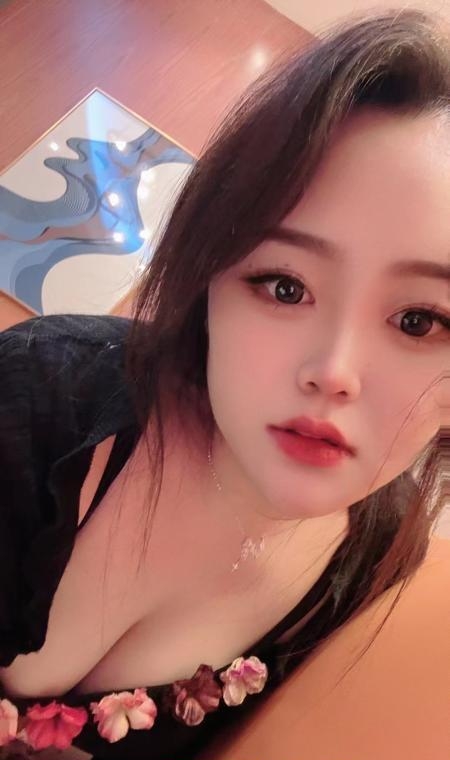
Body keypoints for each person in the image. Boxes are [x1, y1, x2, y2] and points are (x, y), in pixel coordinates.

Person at [0, 7, 449, 760]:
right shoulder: (41, 391)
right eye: (284, 286)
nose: (333, 372)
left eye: (419, 321)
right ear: (208, 276)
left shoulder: (380, 557)